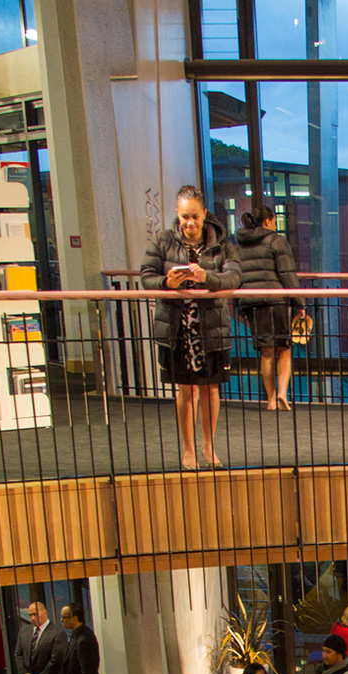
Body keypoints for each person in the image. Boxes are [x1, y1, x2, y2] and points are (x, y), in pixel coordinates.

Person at [139, 183, 242, 470]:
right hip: (176, 329)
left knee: (210, 390)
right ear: (177, 213)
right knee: (186, 390)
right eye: (185, 216)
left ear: (204, 213)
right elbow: (146, 276)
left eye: (195, 216)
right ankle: (188, 449)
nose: (190, 223)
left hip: (211, 328)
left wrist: (206, 278)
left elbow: (234, 278)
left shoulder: (223, 245)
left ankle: (208, 446)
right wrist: (165, 283)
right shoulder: (162, 242)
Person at [234, 205, 306, 411]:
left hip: (252, 302)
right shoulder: (277, 241)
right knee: (284, 348)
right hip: (276, 301)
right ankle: (283, 392)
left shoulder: (239, 245)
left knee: (266, 353)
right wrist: (299, 302)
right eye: (274, 221)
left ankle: (271, 399)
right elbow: (287, 274)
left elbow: (236, 275)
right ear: (268, 222)